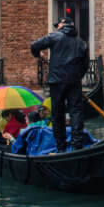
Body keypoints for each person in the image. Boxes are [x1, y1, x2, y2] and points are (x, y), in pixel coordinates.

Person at [30, 17, 88, 153]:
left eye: (58, 25)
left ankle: (61, 148)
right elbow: (85, 65)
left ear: (63, 25)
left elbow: (34, 45)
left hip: (57, 81)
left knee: (58, 114)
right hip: (74, 81)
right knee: (76, 113)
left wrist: (38, 54)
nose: (57, 27)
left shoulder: (55, 36)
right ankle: (77, 147)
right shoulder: (81, 42)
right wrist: (76, 77)